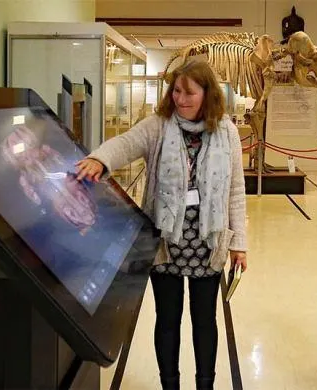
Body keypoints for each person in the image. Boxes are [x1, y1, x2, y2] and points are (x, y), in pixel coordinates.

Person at [75, 60, 247, 390]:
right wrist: (100, 158)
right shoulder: (158, 125)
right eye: (176, 90)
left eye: (189, 92)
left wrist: (239, 242)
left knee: (204, 321)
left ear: (207, 94)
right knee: (167, 320)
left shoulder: (226, 131)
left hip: (207, 243)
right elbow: (125, 143)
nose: (181, 99)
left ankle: (205, 385)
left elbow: (235, 189)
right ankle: (170, 384)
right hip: (166, 242)